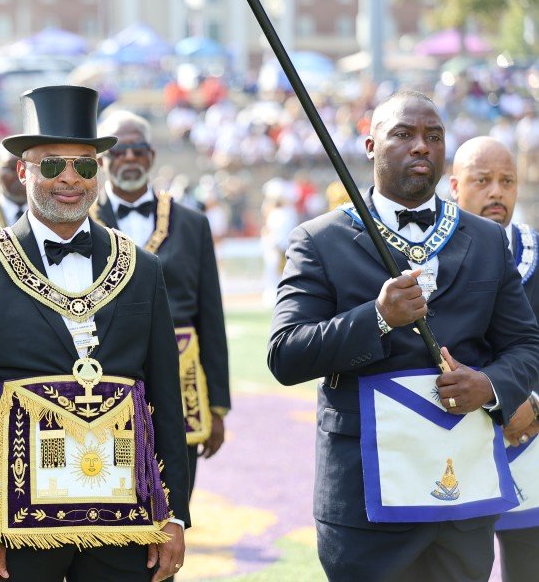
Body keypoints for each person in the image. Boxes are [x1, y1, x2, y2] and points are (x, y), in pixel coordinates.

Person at [268, 91, 539, 581]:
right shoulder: (319, 239)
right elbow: (286, 354)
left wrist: (490, 386)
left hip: (464, 494)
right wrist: (376, 317)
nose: (420, 146)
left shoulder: (485, 239)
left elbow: (526, 345)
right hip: (365, 502)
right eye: (403, 134)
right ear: (371, 146)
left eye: (433, 136)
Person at [0, 85, 189, 582]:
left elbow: (165, 396)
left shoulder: (142, 268)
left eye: (84, 165)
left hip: (126, 512)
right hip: (12, 515)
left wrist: (175, 512)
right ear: (23, 172)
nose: (70, 178)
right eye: (52, 165)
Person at [94, 109, 229, 498]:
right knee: (108, 494)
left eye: (138, 149)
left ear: (152, 156)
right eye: (119, 150)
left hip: (181, 380)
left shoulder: (192, 224)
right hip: (105, 376)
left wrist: (217, 406)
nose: (129, 158)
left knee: (175, 500)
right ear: (101, 160)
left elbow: (211, 317)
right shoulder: (78, 223)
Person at [449, 136, 539, 582]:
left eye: (507, 181)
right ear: (454, 186)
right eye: (482, 180)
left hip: (530, 437)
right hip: (454, 437)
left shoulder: (534, 250)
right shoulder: (429, 254)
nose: (496, 192)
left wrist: (532, 401)